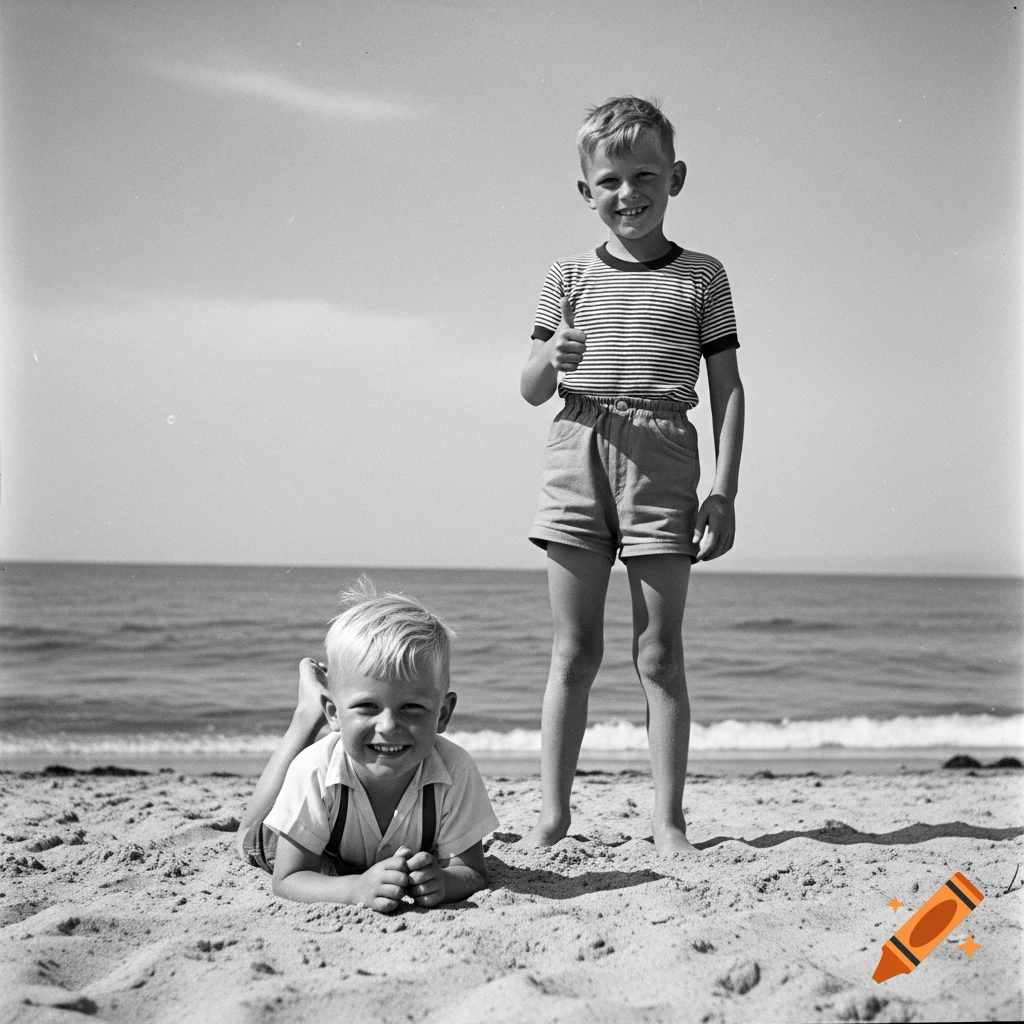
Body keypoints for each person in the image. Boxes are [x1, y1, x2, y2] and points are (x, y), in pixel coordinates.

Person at [519, 96, 745, 856]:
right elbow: (529, 387)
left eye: (645, 173)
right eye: (610, 179)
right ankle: (553, 816)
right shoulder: (565, 276)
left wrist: (725, 489)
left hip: (665, 457)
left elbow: (728, 387)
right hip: (577, 451)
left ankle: (669, 820)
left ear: (675, 177)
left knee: (658, 653)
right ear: (587, 192)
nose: (628, 192)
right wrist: (551, 359)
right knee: (574, 652)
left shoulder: (703, 277)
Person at [238, 581, 498, 912]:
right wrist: (355, 889)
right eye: (367, 707)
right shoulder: (316, 770)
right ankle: (307, 715)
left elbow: (472, 871)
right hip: (310, 850)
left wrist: (445, 883)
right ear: (335, 712)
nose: (388, 726)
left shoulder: (455, 771)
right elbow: (288, 879)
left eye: (411, 707)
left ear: (443, 714)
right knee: (247, 835)